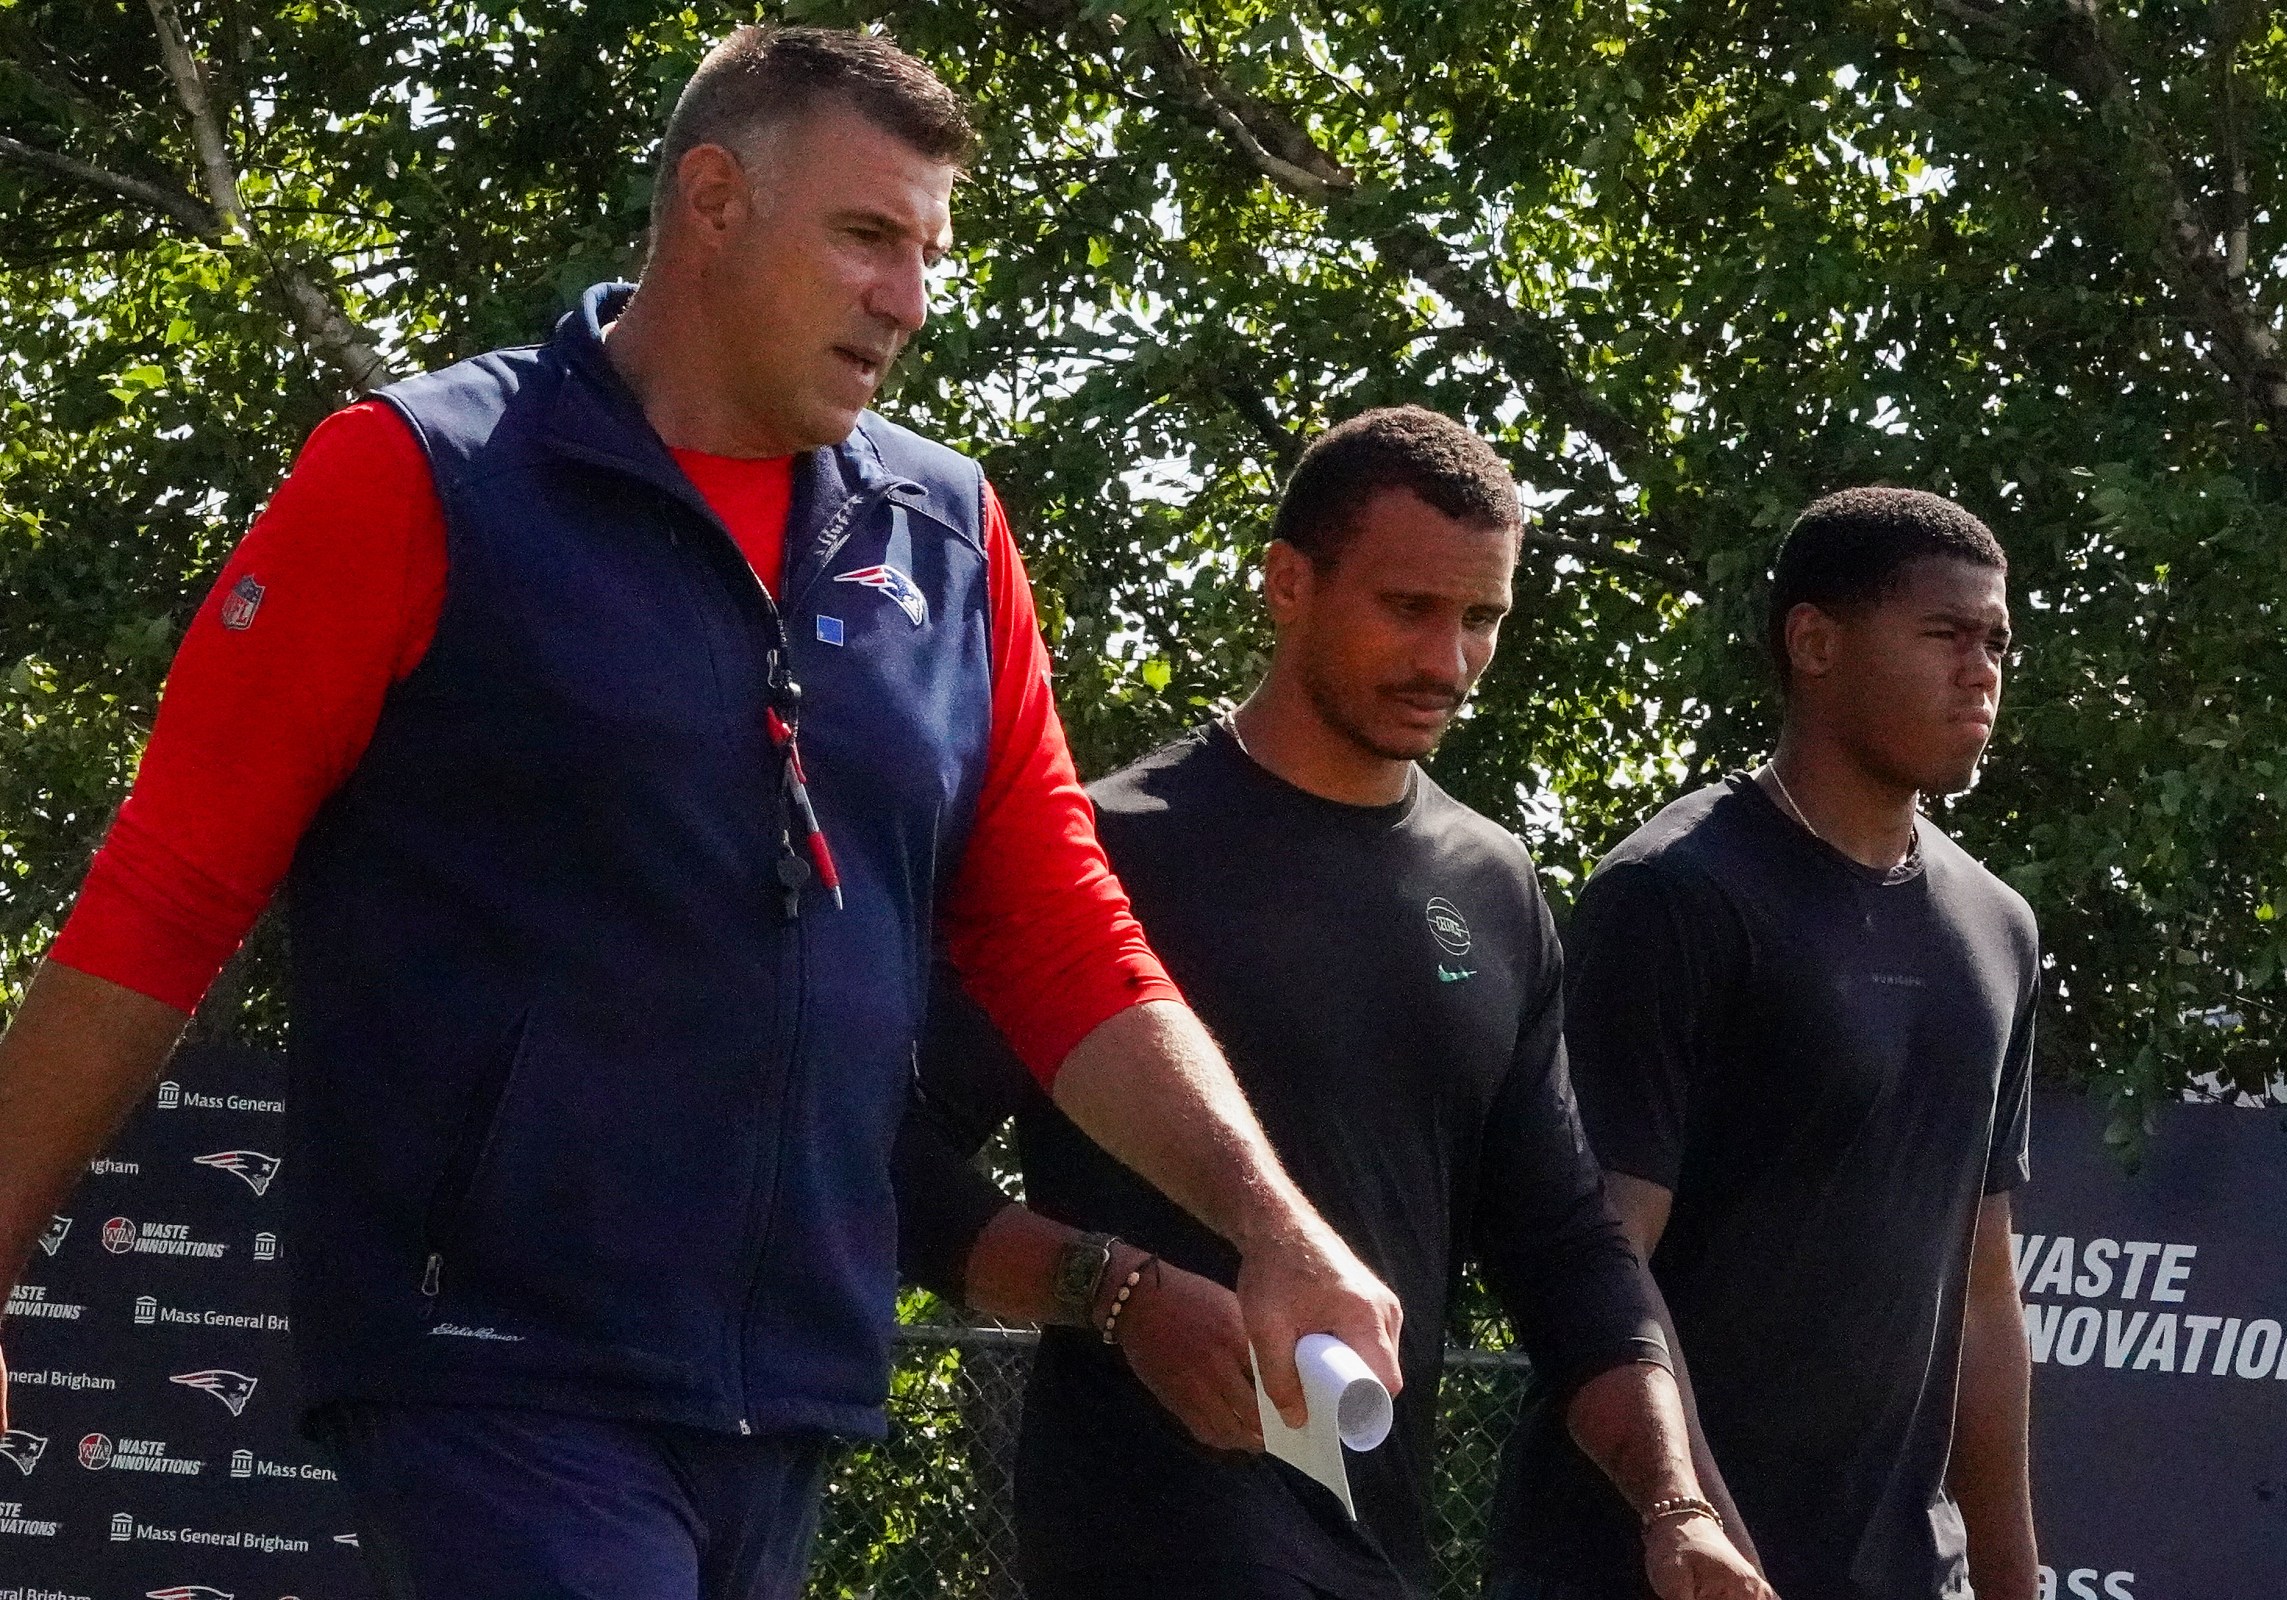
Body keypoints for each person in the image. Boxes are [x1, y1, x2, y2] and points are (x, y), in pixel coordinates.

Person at [0, 27, 1400, 1598]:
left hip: (786, 1391)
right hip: (489, 1369)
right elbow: (165, 894)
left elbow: (1064, 937)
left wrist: (1275, 1226)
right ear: (714, 201)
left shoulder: (948, 537)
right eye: (869, 236)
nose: (911, 299)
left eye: (930, 252)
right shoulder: (419, 476)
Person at [892, 408, 1773, 1600]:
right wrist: (1118, 1295)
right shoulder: (1103, 855)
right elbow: (888, 1161)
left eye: (1482, 620)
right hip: (1144, 1543)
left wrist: (1676, 1505)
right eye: (1409, 609)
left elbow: (1569, 1251)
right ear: (1288, 584)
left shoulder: (1494, 885)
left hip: (1377, 1553)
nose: (1448, 663)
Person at [1487, 487, 2040, 1600]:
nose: (1980, 669)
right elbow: (1601, 1266)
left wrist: (2012, 1581)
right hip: (1647, 1564)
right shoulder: (1675, 894)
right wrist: (1705, 1535)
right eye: (1944, 633)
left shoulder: (1998, 926)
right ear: (1815, 641)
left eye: (1996, 641)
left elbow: (1984, 1294)